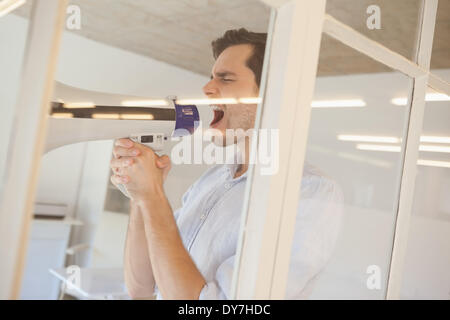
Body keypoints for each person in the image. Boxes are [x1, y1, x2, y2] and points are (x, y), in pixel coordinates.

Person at [110, 28, 344, 300]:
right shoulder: (213, 180)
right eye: (211, 78)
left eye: (226, 79)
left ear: (272, 94)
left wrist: (153, 197)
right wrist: (140, 195)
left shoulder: (309, 192)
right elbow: (141, 288)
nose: (207, 88)